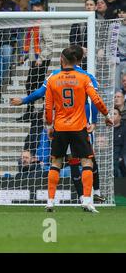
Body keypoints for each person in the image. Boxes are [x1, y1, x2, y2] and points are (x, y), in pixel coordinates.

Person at [11, 45, 108, 203]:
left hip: (64, 124)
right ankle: (89, 195)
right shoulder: (87, 76)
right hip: (82, 123)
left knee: (75, 159)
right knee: (85, 159)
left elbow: (40, 93)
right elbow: (94, 101)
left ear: (63, 59)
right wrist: (95, 121)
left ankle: (87, 195)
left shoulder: (55, 76)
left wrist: (24, 100)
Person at [44, 46, 113, 213]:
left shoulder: (53, 79)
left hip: (60, 126)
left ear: (62, 59)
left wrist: (49, 125)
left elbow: (47, 106)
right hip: (78, 127)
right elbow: (95, 99)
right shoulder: (83, 78)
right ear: (78, 60)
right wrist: (106, 114)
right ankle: (88, 200)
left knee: (56, 163)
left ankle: (50, 201)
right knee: (87, 162)